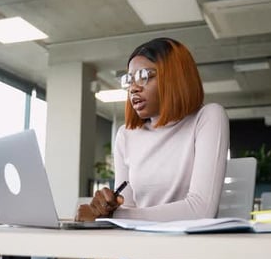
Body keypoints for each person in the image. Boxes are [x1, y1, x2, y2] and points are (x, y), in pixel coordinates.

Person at [76, 37, 229, 222]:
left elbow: (201, 210)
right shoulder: (126, 135)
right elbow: (128, 205)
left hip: (189, 247)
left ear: (174, 76)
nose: (133, 88)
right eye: (130, 80)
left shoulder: (208, 117)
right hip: (139, 245)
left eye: (143, 77)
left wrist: (113, 216)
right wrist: (110, 208)